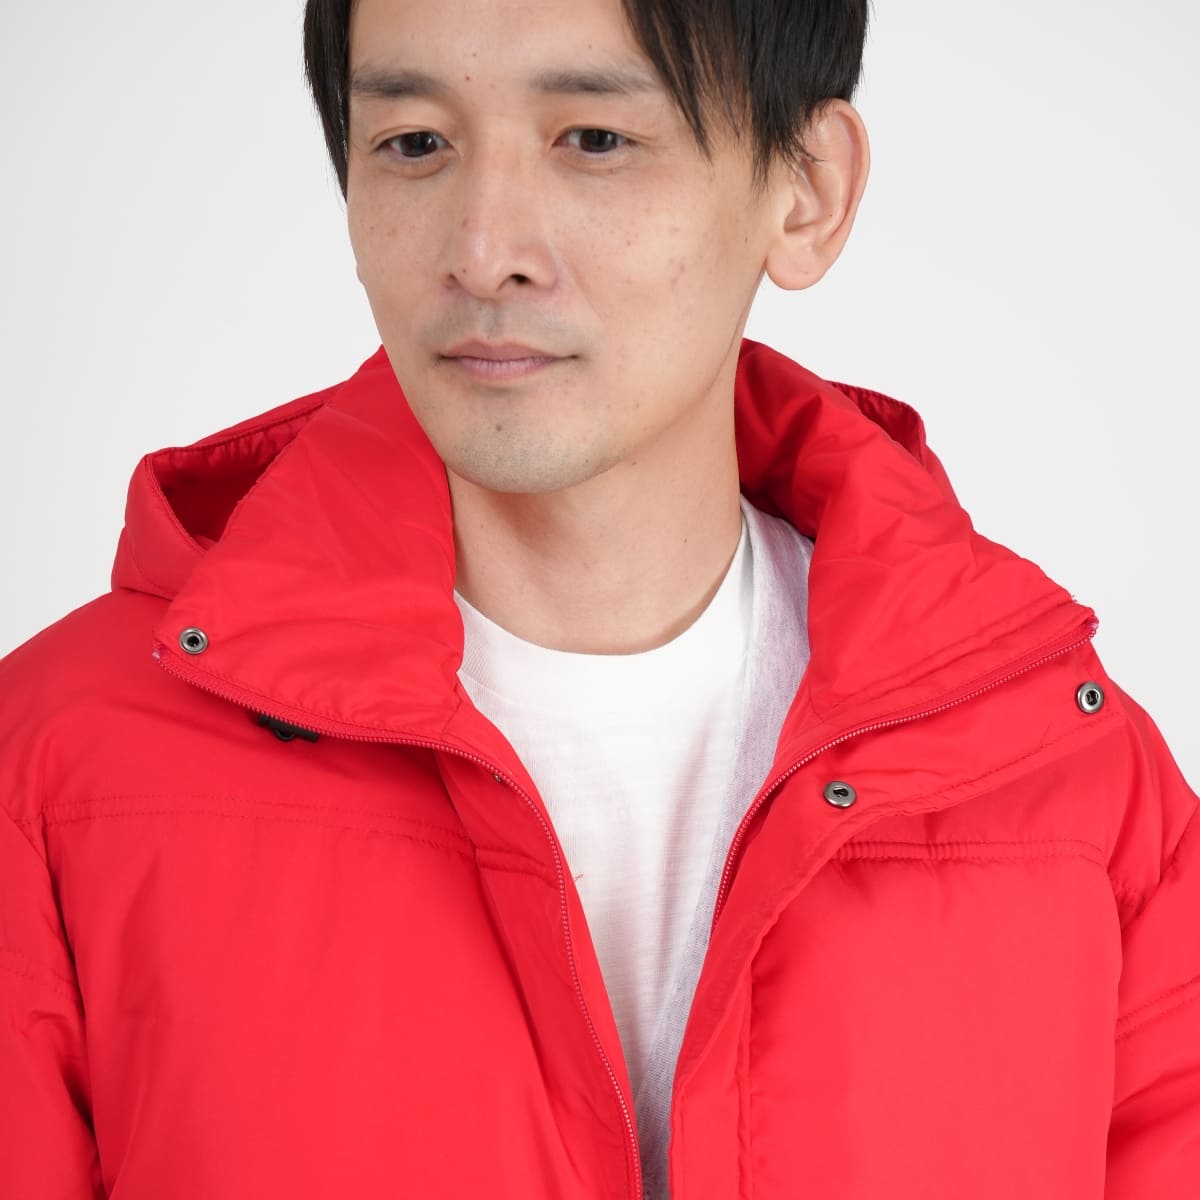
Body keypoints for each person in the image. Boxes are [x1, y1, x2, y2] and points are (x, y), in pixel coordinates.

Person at [0, 0, 1195, 1195]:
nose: (483, 252)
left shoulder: (1074, 788)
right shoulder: (59, 768)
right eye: (414, 143)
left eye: (595, 140)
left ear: (807, 190)